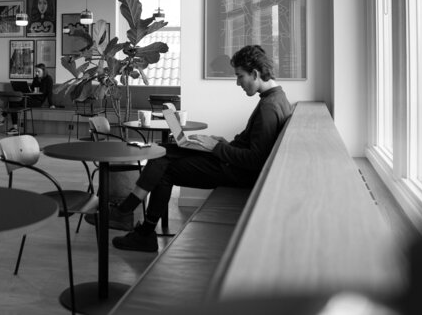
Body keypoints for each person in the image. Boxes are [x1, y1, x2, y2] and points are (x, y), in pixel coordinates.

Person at [104, 45, 292, 252]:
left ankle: (134, 222)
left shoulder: (269, 107)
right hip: (230, 162)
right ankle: (131, 218)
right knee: (164, 150)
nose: (237, 83)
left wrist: (216, 148)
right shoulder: (276, 98)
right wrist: (225, 144)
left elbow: (256, 160)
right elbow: (255, 147)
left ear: (255, 73)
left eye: (239, 76)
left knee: (164, 170)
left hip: (237, 172)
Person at [0, 63, 55, 135]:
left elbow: (49, 93)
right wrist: (27, 89)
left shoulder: (49, 79)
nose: (36, 73)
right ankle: (14, 128)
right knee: (12, 102)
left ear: (44, 71)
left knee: (13, 103)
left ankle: (2, 119)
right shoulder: (36, 79)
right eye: (35, 71)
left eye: (38, 71)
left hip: (38, 101)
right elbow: (32, 89)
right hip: (30, 98)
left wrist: (51, 104)